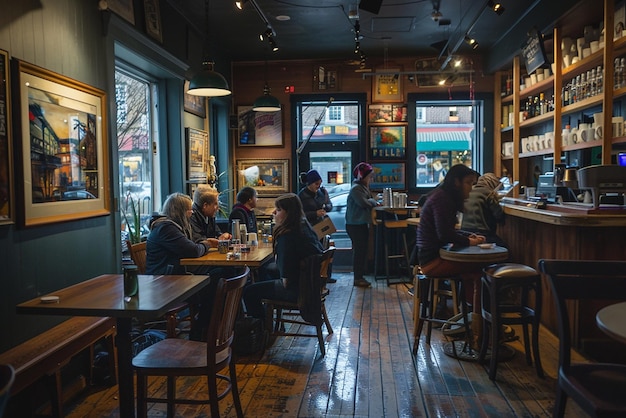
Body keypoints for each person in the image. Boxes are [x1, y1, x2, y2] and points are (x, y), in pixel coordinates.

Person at [415, 164, 486, 346]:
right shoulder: (443, 199)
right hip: (431, 262)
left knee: (475, 271)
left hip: (430, 257)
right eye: (469, 183)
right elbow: (444, 234)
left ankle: (471, 321)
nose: (471, 188)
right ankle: (477, 330)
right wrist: (469, 241)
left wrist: (467, 236)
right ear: (456, 182)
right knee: (479, 271)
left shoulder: (442, 196)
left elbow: (446, 232)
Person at [145, 192, 216, 341]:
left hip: (174, 277)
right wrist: (206, 244)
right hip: (164, 283)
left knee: (218, 276)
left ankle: (206, 330)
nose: (192, 212)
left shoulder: (172, 227)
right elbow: (193, 250)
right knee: (213, 286)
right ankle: (200, 334)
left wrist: (201, 245)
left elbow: (193, 247)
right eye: (189, 209)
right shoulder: (166, 229)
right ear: (180, 211)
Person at [243, 193, 323, 320]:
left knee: (249, 291)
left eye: (279, 210)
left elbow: (286, 277)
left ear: (289, 213)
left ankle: (261, 330)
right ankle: (270, 323)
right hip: (311, 285)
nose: (274, 212)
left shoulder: (288, 236)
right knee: (266, 271)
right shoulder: (304, 227)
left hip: (297, 290)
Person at [345, 162, 378, 288]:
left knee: (362, 251)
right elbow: (364, 203)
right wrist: (373, 201)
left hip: (360, 223)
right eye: (369, 176)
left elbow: (369, 200)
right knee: (359, 251)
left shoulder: (362, 187)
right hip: (355, 224)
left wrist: (372, 200)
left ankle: (359, 276)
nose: (371, 179)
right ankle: (358, 278)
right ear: (362, 176)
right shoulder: (356, 188)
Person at [461, 172, 507, 248]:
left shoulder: (470, 190)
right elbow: (499, 215)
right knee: (504, 248)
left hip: (464, 232)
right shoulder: (489, 193)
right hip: (483, 233)